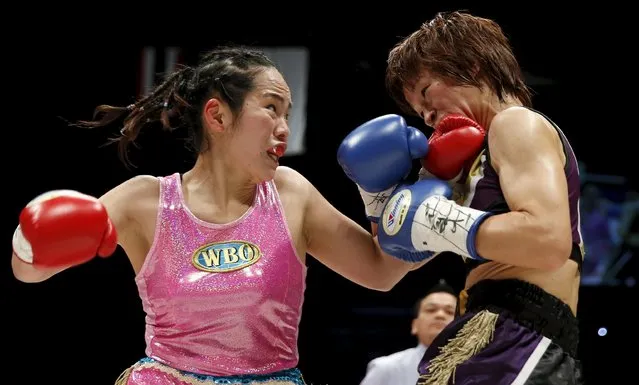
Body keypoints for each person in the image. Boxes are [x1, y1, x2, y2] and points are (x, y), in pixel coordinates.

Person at [10, 46, 429, 385]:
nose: (284, 126)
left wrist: (425, 208)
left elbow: (380, 271)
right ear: (217, 116)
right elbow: (28, 273)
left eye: (287, 112)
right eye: (271, 107)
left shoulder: (291, 192)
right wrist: (36, 242)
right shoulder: (144, 201)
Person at [341, 11, 584, 384]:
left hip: (521, 335)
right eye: (419, 112)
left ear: (470, 67)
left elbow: (549, 241)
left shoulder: (517, 123)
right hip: (481, 330)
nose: (427, 116)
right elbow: (387, 266)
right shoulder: (466, 165)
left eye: (425, 93)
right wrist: (377, 198)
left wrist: (439, 220)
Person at [359, 281, 457, 385]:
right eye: (431, 310)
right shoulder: (386, 368)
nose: (440, 315)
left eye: (450, 312)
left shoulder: (474, 370)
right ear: (415, 325)